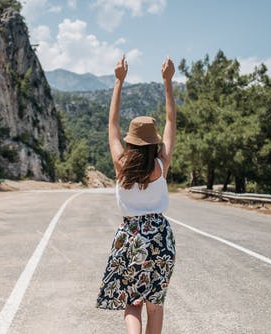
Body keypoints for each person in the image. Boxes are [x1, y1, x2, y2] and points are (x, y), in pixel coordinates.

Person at [96, 55, 177, 334]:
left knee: (133, 303)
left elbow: (112, 125)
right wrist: (168, 82)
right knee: (155, 304)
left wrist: (118, 81)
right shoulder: (160, 165)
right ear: (154, 143)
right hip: (159, 235)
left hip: (130, 236)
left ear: (131, 143)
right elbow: (170, 121)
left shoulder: (121, 165)